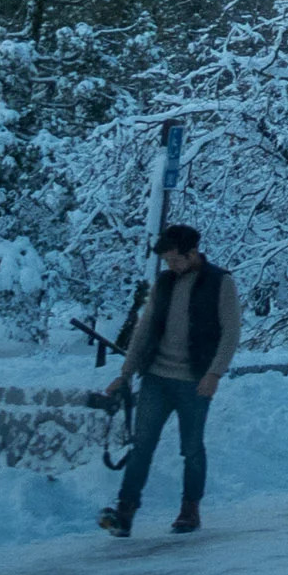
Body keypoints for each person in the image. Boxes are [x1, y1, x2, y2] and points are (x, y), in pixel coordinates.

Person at [100, 224, 242, 538]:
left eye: (174, 260)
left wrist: (214, 373)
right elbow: (144, 329)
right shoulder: (164, 283)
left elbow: (231, 332)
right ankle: (125, 511)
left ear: (191, 254)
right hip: (156, 378)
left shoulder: (220, 282)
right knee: (142, 446)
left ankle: (190, 509)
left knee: (191, 448)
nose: (170, 266)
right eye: (166, 261)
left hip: (195, 380)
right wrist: (125, 373)